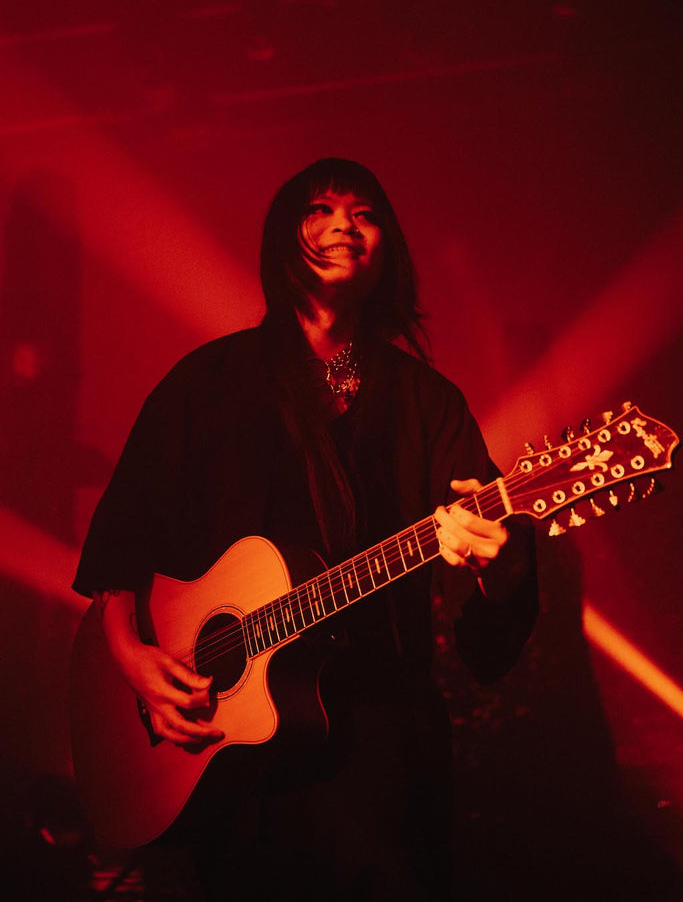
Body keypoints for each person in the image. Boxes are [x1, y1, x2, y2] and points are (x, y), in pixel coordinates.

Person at [73, 158, 538, 901]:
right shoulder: (205, 383)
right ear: (282, 237)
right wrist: (132, 658)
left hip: (382, 755)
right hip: (233, 767)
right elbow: (121, 538)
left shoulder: (426, 404)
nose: (343, 226)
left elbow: (497, 615)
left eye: (364, 213)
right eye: (319, 208)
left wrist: (499, 565)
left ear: (387, 250)